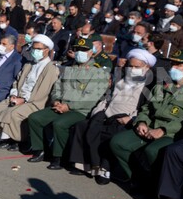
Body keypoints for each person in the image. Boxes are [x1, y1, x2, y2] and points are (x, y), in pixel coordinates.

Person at [108, 46, 183, 186]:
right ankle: (140, 180)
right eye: (172, 64)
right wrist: (141, 122)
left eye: (178, 64)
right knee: (118, 143)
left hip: (173, 133)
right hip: (150, 126)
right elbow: (146, 108)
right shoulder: (163, 85)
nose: (173, 67)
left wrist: (163, 130)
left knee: (153, 151)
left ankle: (157, 187)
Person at [65, 49, 155, 184]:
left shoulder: (150, 85)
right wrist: (98, 111)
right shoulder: (120, 80)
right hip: (106, 114)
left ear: (146, 68)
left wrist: (132, 118)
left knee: (112, 134)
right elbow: (106, 99)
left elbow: (147, 108)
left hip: (125, 119)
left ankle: (104, 169)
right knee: (82, 126)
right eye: (130, 66)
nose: (132, 69)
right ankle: (85, 165)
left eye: (137, 67)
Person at [25, 35, 111, 170]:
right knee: (35, 118)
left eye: (83, 50)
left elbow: (90, 98)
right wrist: (56, 101)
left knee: (59, 124)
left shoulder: (98, 72)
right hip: (61, 106)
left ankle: (58, 157)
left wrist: (69, 106)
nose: (79, 53)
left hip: (80, 110)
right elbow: (57, 87)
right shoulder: (69, 68)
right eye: (77, 50)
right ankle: (40, 150)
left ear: (91, 52)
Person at [0, 35, 60, 150]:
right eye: (34, 48)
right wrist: (14, 94)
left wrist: (24, 100)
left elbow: (43, 92)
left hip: (34, 102)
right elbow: (17, 81)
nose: (35, 51)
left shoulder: (51, 68)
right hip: (18, 96)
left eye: (38, 49)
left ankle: (17, 140)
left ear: (47, 50)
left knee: (13, 113)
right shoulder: (28, 64)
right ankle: (4, 137)